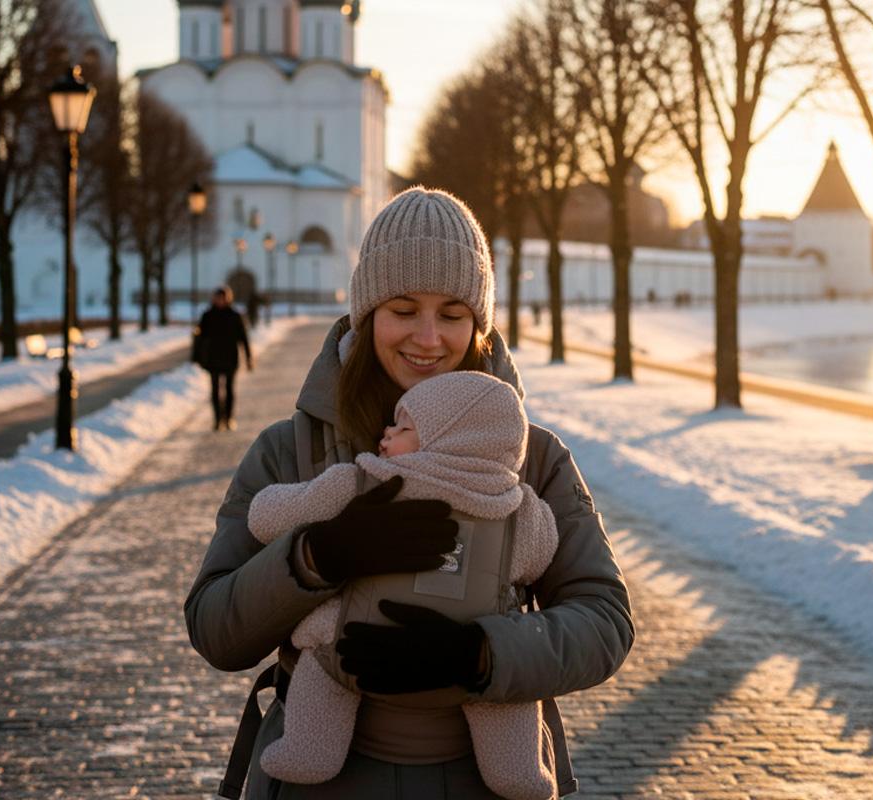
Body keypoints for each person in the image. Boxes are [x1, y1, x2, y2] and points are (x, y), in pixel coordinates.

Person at [185, 187, 634, 799]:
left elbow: (604, 622)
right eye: (403, 308)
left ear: (479, 324)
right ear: (368, 313)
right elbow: (215, 627)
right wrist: (316, 558)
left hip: (481, 782)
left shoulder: (533, 460)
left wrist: (479, 654)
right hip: (320, 783)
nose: (428, 339)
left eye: (452, 314)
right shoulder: (289, 452)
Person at [247, 370, 559, 800]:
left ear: (451, 441)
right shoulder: (518, 511)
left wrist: (290, 517)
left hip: (364, 636)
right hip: (477, 638)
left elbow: (267, 516)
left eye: (404, 427)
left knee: (324, 656)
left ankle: (309, 752)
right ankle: (518, 771)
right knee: (504, 698)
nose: (386, 433)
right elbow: (539, 557)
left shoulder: (358, 483)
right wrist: (325, 549)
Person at [193, 286, 253, 430]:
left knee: (229, 389)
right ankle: (217, 419)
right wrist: (196, 357)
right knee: (214, 390)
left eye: (222, 297)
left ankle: (229, 417)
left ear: (228, 298)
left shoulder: (235, 315)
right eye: (217, 297)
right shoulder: (207, 315)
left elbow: (243, 338)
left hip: (230, 358)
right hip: (212, 358)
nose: (220, 300)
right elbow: (199, 338)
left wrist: (248, 357)